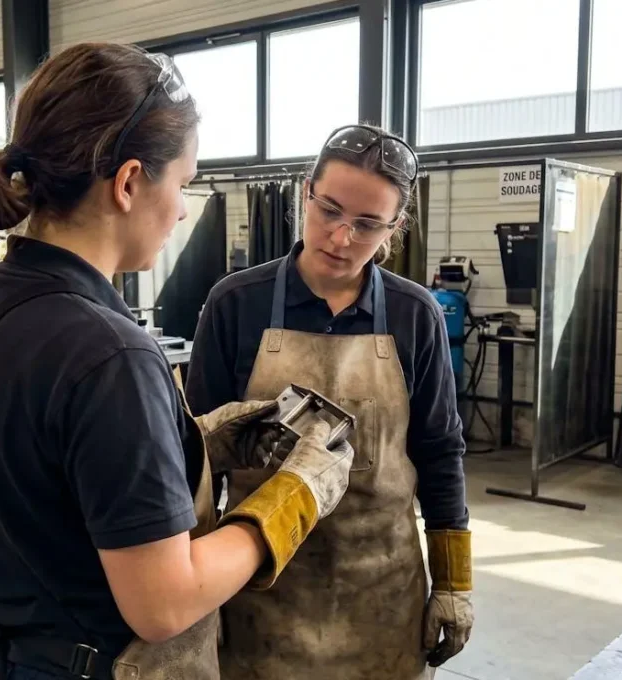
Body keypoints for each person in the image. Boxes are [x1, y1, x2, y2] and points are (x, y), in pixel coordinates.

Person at [0, 43, 355, 680]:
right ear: (128, 183)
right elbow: (163, 603)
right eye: (181, 183)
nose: (182, 208)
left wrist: (193, 443)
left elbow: (40, 484)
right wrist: (293, 498)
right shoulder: (110, 353)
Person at [185, 124, 475, 679]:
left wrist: (454, 582)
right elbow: (197, 462)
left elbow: (441, 452)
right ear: (305, 192)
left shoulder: (417, 317)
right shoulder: (235, 304)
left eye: (368, 224)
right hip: (261, 586)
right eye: (330, 211)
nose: (342, 237)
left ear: (395, 227)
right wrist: (197, 589)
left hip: (383, 591)